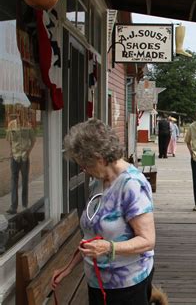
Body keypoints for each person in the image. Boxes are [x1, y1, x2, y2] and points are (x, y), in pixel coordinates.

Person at [51, 119, 155, 305]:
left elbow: (148, 241)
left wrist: (110, 248)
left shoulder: (131, 185)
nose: (85, 170)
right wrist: (67, 268)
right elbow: (93, 235)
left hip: (126, 287)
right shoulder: (100, 182)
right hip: (98, 282)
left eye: (85, 164)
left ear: (98, 157)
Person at [6, 111, 36, 215]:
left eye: (23, 114)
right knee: (14, 180)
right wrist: (11, 151)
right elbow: (9, 139)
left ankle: (24, 205)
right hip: (14, 156)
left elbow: (33, 140)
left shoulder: (28, 126)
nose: (21, 116)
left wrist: (28, 152)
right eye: (19, 113)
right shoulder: (11, 125)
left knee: (24, 180)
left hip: (24, 157)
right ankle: (13, 206)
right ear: (17, 114)